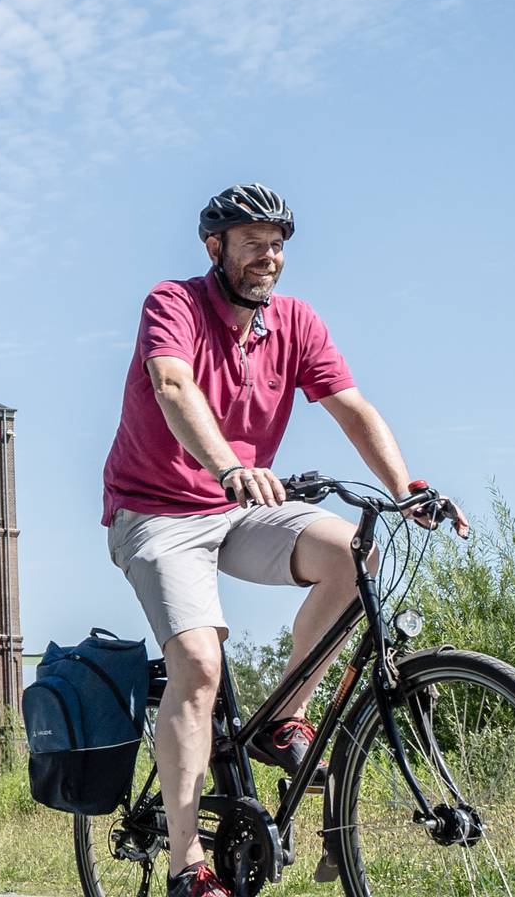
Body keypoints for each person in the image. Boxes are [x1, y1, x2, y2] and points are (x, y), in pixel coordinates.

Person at [101, 184, 469, 897]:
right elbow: (175, 387)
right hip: (155, 510)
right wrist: (231, 467)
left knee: (353, 553)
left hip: (238, 507)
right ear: (216, 249)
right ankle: (187, 867)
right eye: (252, 243)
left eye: (277, 244)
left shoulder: (296, 323)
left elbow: (351, 408)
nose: (268, 256)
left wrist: (406, 489)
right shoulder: (172, 305)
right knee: (199, 665)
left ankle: (284, 717)